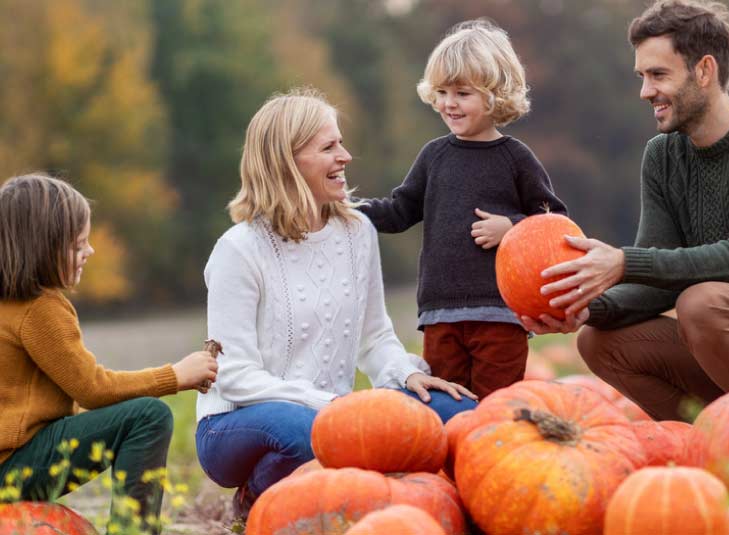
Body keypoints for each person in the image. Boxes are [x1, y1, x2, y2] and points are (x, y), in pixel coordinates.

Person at [195, 88, 478, 525]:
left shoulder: (357, 231)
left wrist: (408, 376)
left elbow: (375, 337)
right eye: (328, 147)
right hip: (236, 423)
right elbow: (234, 377)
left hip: (333, 411)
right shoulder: (239, 250)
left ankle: (449, 514)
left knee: (458, 415)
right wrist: (328, 406)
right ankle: (258, 501)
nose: (345, 156)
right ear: (287, 161)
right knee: (308, 434)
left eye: (340, 143)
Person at [520, 0, 729, 422]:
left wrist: (622, 261)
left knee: (703, 303)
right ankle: (711, 444)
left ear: (704, 71)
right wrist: (584, 310)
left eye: (658, 75)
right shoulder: (662, 156)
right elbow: (656, 283)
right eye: (642, 76)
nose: (645, 91)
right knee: (598, 341)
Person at [357, 19, 567, 399]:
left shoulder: (515, 158)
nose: (448, 103)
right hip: (440, 315)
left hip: (500, 315)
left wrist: (512, 228)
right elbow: (399, 210)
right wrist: (353, 212)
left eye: (462, 93)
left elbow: (554, 223)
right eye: (441, 92)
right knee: (446, 408)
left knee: (491, 409)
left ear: (495, 96)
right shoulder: (434, 156)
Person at [0, 174, 218, 534]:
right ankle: (132, 530)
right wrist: (175, 376)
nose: (90, 252)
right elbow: (93, 389)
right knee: (147, 417)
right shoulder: (39, 309)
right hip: (14, 468)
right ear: (41, 249)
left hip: (12, 463)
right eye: (77, 245)